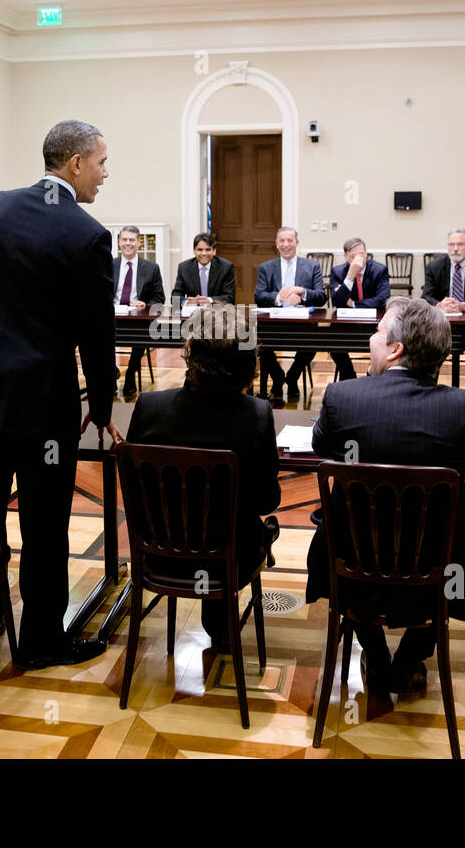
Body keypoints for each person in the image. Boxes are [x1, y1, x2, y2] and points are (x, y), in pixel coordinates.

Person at [0, 119, 119, 670]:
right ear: (74, 164)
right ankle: (42, 639)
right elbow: (96, 331)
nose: (105, 173)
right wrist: (100, 402)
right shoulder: (87, 233)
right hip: (42, 398)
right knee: (45, 523)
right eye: (100, 162)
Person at [308, 296, 465, 694]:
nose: (370, 341)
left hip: (353, 561)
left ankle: (375, 654)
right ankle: (409, 659)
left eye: (377, 334)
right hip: (437, 566)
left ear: (395, 349)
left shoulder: (343, 398)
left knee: (337, 531)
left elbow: (321, 444)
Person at [126, 306, 279, 650]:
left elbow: (136, 495)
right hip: (229, 555)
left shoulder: (150, 407)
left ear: (190, 355)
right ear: (248, 362)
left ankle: (217, 626)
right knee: (237, 524)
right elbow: (267, 500)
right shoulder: (256, 414)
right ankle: (221, 630)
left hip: (159, 552)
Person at [254, 226, 327, 404]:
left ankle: (293, 376)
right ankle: (278, 378)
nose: (286, 245)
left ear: (297, 243)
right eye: (282, 241)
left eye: (290, 241)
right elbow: (259, 296)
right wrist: (280, 297)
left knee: (313, 342)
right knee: (259, 343)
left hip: (303, 323)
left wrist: (302, 293)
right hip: (273, 323)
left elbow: (321, 296)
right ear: (277, 244)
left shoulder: (312, 266)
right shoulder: (266, 267)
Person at [114, 225, 165, 397]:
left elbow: (159, 298)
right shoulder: (109, 264)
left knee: (142, 332)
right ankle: (110, 373)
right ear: (119, 242)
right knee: (95, 333)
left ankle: (130, 373)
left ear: (138, 243)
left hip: (138, 317)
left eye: (132, 240)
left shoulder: (151, 268)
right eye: (124, 239)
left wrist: (145, 304)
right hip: (112, 315)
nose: (128, 243)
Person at [328, 237, 390, 379]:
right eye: (353, 256)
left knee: (383, 345)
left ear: (366, 254)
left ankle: (372, 378)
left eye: (361, 254)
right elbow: (337, 301)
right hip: (346, 324)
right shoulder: (338, 272)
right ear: (345, 257)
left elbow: (383, 299)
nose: (359, 259)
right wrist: (350, 275)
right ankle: (349, 377)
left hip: (373, 324)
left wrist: (353, 304)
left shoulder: (379, 270)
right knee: (333, 342)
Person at [421, 228, 465, 314]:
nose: (455, 249)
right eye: (451, 244)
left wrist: (464, 306)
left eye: (460, 244)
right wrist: (439, 305)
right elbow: (426, 296)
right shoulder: (433, 267)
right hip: (441, 317)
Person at [171, 232, 235, 307]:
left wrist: (210, 300)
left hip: (217, 314)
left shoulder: (226, 267)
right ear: (194, 251)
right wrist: (187, 302)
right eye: (200, 250)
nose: (204, 253)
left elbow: (230, 298)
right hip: (192, 315)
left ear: (214, 251)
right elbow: (175, 297)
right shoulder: (184, 267)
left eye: (208, 249)